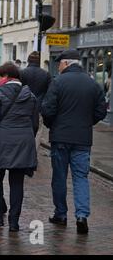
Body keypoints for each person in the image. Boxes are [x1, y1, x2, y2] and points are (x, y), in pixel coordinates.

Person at [41, 49, 107, 234]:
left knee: (60, 177)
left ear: (66, 63)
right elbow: (101, 111)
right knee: (81, 178)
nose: (59, 66)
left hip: (60, 137)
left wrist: (52, 125)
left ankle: (61, 214)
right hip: (83, 139)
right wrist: (87, 123)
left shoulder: (58, 82)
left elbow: (47, 110)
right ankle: (82, 215)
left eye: (60, 63)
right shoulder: (93, 84)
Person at [0, 62, 39, 232]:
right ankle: (14, 222)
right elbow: (34, 124)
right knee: (17, 183)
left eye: (0, 77)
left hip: (0, 143)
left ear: (7, 77)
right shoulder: (30, 96)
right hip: (23, 143)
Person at [20, 51, 52, 152]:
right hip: (39, 107)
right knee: (38, 131)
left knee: (23, 129)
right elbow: (49, 92)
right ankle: (33, 153)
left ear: (28, 60)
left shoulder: (22, 73)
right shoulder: (46, 74)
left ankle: (23, 151)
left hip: (23, 106)